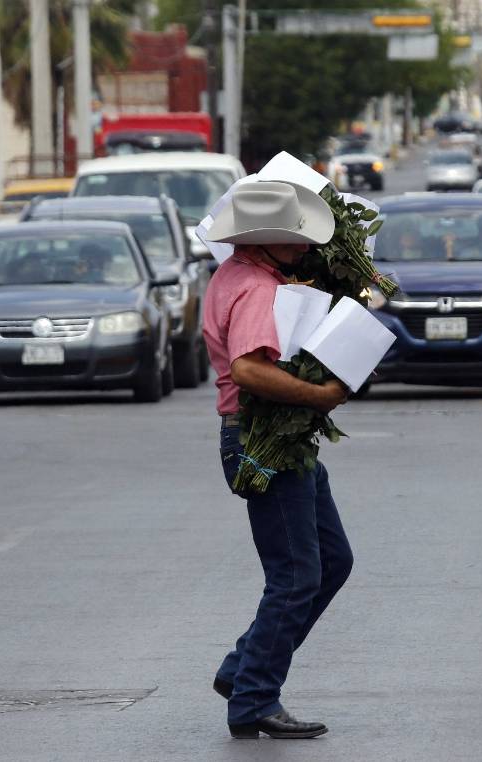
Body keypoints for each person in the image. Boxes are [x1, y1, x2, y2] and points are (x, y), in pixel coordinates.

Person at [202, 181, 353, 740]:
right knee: (295, 576)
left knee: (332, 561)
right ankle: (254, 699)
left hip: (279, 439)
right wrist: (317, 395)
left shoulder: (244, 276)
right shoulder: (255, 289)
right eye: (294, 239)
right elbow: (247, 369)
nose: (304, 247)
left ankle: (244, 672)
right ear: (267, 241)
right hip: (261, 436)